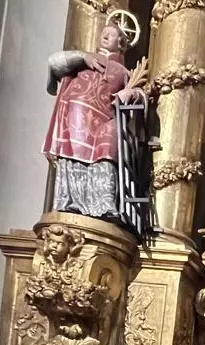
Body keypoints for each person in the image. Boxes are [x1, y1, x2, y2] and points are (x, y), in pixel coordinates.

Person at [44, 23, 148, 218]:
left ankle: (103, 204)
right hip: (73, 116)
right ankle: (69, 201)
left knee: (106, 148)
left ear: (122, 43)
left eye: (112, 35)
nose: (106, 36)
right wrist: (83, 57)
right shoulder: (82, 60)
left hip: (103, 119)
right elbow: (53, 61)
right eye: (104, 33)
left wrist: (131, 92)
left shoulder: (124, 72)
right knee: (72, 154)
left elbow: (143, 96)